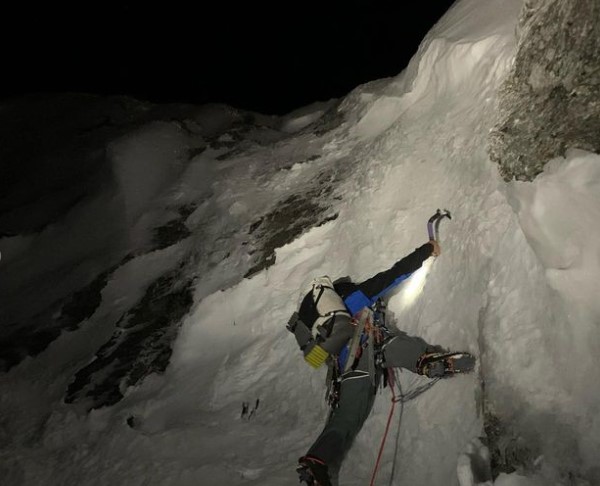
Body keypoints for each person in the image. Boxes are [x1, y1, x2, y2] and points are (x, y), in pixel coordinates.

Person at [287, 239, 456, 486]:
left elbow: (319, 358)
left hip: (347, 369)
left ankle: (316, 461)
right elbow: (395, 274)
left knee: (345, 418)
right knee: (390, 345)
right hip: (368, 347)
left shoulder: (321, 326)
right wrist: (427, 250)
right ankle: (425, 360)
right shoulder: (356, 296)